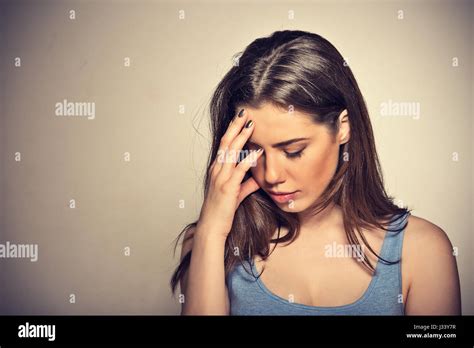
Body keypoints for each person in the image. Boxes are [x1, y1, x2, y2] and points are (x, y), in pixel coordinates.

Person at [170, 30, 461, 315]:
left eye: (293, 150)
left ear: (343, 127)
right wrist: (211, 232)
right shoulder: (211, 243)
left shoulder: (422, 250)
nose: (271, 175)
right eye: (253, 151)